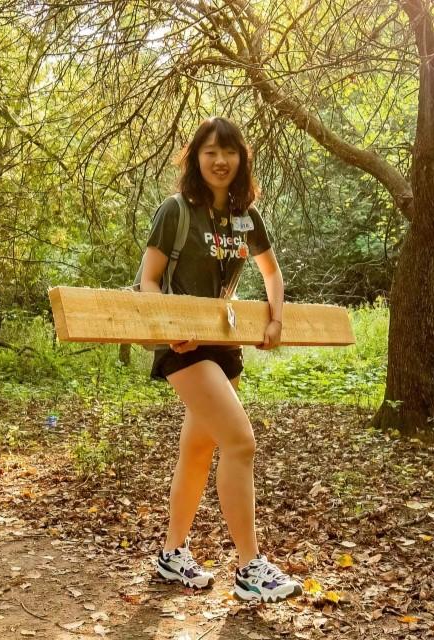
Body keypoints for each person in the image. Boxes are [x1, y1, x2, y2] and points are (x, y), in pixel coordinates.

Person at [136, 117, 302, 603]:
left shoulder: (245, 217)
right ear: (195, 158)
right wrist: (171, 327)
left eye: (228, 151)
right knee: (240, 441)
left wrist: (275, 319)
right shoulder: (176, 211)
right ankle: (250, 567)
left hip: (223, 342)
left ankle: (171, 554)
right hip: (183, 348)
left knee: (198, 451)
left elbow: (272, 274)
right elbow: (147, 280)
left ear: (241, 159)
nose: (220, 160)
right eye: (209, 151)